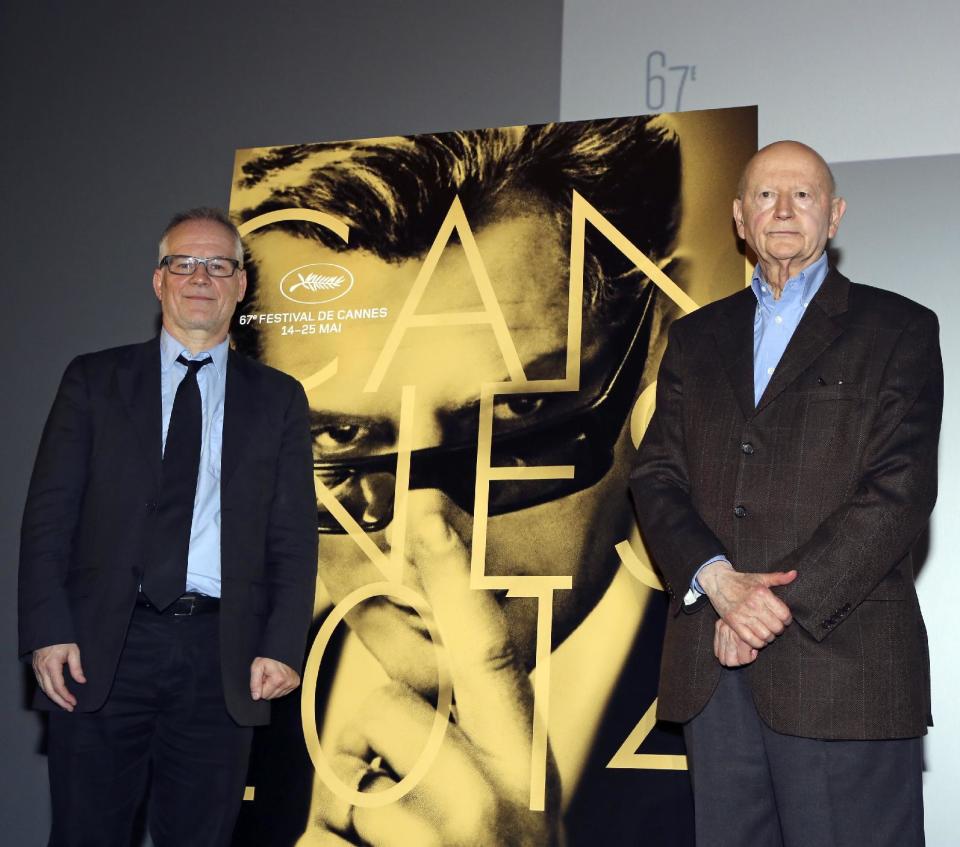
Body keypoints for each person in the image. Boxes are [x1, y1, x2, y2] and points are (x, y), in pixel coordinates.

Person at [228, 119, 711, 846]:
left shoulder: (778, 716)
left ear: (662, 353)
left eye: (514, 420)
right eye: (337, 436)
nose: (421, 542)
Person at [631, 140, 942, 847]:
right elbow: (656, 476)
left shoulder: (900, 330)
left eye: (803, 195)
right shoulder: (693, 338)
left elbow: (898, 490)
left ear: (833, 216)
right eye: (766, 195)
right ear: (739, 218)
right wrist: (718, 583)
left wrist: (768, 606)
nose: (783, 209)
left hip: (844, 673)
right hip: (715, 675)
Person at [18, 208, 319, 847]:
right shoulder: (92, 381)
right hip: (101, 650)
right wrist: (47, 632)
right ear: (159, 282)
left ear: (241, 285)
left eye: (218, 265)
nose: (199, 277)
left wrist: (283, 644)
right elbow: (49, 515)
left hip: (222, 657)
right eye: (183, 263)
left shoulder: (280, 398)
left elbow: (293, 538)